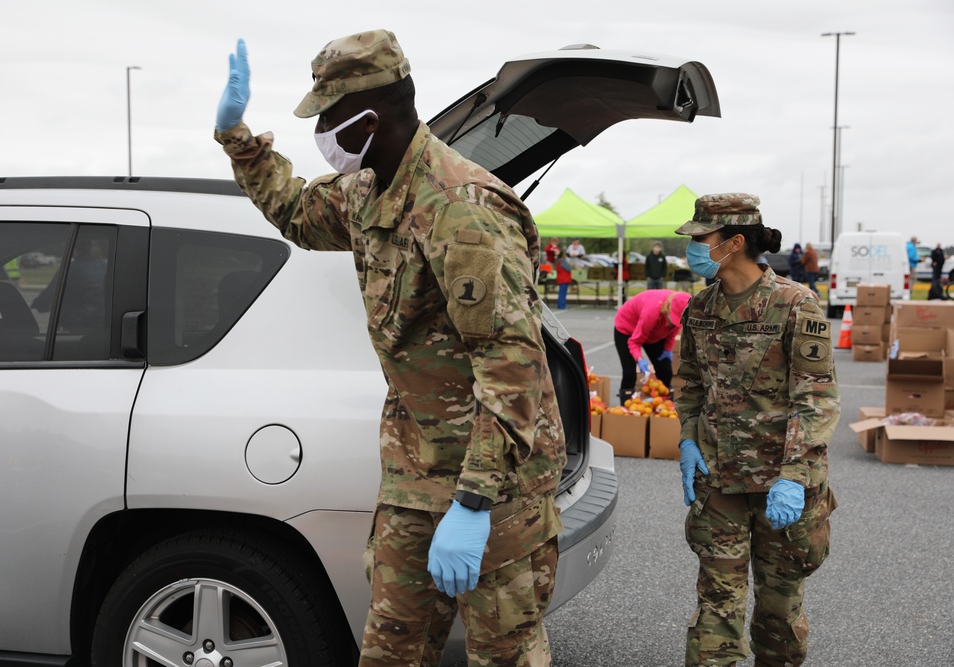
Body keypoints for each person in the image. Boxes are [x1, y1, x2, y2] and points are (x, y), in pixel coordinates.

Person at [214, 32, 565, 666]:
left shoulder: (462, 209)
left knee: (504, 655)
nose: (322, 132)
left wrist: (474, 500)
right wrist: (237, 137)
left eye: (327, 118)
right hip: (415, 474)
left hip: (494, 487)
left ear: (368, 118)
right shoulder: (368, 190)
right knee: (391, 651)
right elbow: (295, 210)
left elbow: (512, 363)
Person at [674, 193, 840, 667]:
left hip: (781, 482)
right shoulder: (700, 307)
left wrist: (794, 474)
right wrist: (688, 437)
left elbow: (817, 397)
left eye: (701, 239)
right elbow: (687, 382)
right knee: (716, 606)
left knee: (779, 610)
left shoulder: (794, 304)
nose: (692, 249)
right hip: (719, 480)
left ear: (735, 242)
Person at [613, 288, 690, 402]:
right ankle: (626, 409)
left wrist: (667, 350)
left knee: (665, 371)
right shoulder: (652, 312)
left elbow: (672, 332)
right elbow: (634, 342)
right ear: (668, 308)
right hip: (627, 328)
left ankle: (664, 406)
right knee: (629, 373)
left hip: (654, 333)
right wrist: (639, 359)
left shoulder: (683, 311)